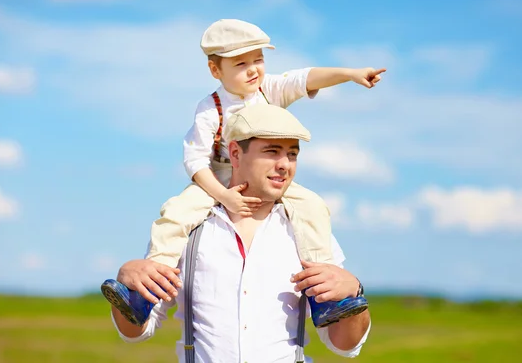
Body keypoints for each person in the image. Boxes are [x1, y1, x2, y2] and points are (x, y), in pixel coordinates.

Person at [101, 18, 385, 329]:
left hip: (265, 179)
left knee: (311, 207)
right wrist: (223, 196)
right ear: (215, 70)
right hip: (218, 179)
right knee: (177, 213)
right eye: (241, 63)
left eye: (258, 60)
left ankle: (325, 298)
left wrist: (351, 74)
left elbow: (306, 78)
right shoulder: (211, 108)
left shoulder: (269, 89)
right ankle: (144, 295)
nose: (253, 70)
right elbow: (195, 162)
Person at [110, 104, 372, 362]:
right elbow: (136, 332)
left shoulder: (308, 231)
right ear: (235, 153)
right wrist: (128, 282)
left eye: (292, 154)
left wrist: (354, 292)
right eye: (272, 151)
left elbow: (345, 345)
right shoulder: (187, 227)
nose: (285, 165)